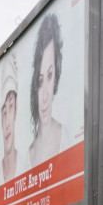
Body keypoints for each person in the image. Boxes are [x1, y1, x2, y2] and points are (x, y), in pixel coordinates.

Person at [28, 13, 65, 167]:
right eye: (40, 80)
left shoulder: (65, 137)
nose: (44, 96)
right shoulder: (30, 153)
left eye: (50, 76)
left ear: (56, 76)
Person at [0, 57, 27, 182]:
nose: (7, 124)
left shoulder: (27, 169)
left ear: (16, 108)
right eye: (4, 112)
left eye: (11, 106)